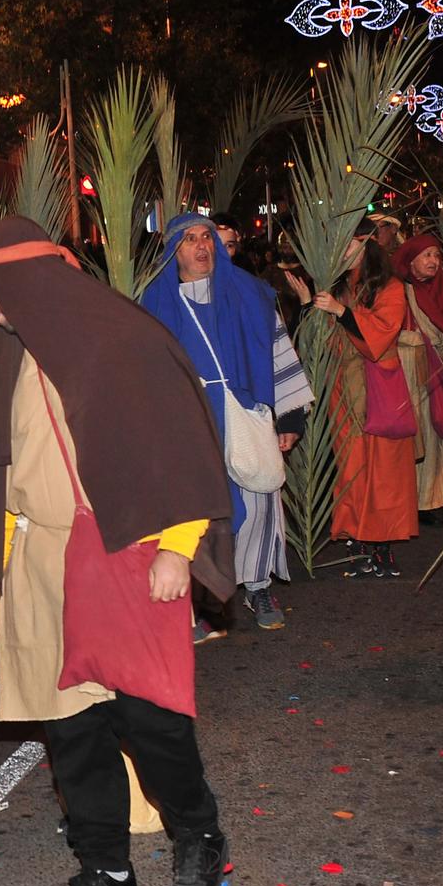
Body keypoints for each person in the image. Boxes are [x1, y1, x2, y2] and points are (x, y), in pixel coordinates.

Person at [0, 217, 233, 886]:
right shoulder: (16, 353)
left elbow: (178, 442)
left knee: (150, 720)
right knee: (71, 729)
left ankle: (199, 840)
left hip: (126, 554)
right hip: (41, 564)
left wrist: (179, 544)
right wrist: (6, 568)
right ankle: (105, 868)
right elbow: (9, 467)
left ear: (20, 278)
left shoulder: (120, 339)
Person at [139, 214, 310, 632]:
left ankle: (257, 584)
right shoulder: (153, 303)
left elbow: (279, 354)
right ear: (172, 250)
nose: (201, 246)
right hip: (189, 422)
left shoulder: (251, 294)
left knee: (258, 500)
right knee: (199, 508)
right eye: (189, 239)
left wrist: (288, 416)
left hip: (246, 414)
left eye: (207, 238)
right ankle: (205, 599)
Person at [313, 235, 419, 576]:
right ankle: (357, 540)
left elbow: (381, 336)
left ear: (364, 243)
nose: (340, 249)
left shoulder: (388, 286)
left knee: (384, 470)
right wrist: (309, 304)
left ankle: (382, 547)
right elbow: (327, 339)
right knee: (352, 466)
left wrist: (341, 310)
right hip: (345, 390)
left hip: (378, 388)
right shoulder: (340, 284)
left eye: (347, 243)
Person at [392, 233, 443, 515]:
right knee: (416, 435)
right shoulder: (399, 291)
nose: (433, 261)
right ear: (410, 261)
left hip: (438, 371)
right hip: (407, 372)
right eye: (426, 255)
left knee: (438, 435)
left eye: (437, 255)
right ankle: (412, 499)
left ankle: (438, 496)